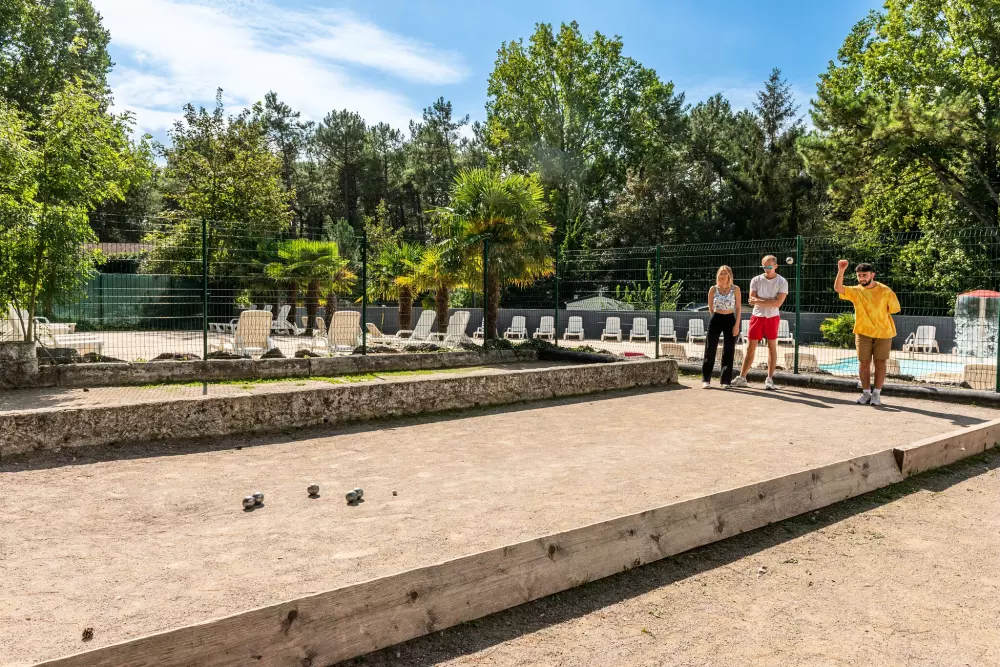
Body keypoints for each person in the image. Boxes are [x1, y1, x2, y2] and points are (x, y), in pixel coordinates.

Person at [834, 260, 901, 406]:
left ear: (872, 275)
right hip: (862, 331)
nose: (861, 278)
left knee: (880, 362)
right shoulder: (856, 291)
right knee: (863, 363)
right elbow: (838, 288)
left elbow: (895, 309)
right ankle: (865, 393)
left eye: (864, 275)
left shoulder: (886, 291)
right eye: (859, 276)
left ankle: (876, 394)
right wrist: (841, 270)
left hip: (883, 332)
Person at [731, 255, 788, 389]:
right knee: (750, 348)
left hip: (772, 317)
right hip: (757, 316)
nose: (767, 269)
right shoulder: (756, 280)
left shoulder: (782, 281)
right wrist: (769, 301)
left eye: (769, 267)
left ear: (775, 266)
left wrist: (760, 301)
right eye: (764, 267)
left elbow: (778, 303)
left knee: (772, 348)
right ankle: (742, 377)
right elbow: (752, 300)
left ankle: (769, 379)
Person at [701, 265, 742, 388]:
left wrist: (737, 325)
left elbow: (739, 308)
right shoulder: (713, 289)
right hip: (716, 318)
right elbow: (710, 308)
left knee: (729, 350)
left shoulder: (735, 289)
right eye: (721, 273)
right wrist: (716, 317)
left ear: (729, 275)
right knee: (710, 349)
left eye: (725, 273)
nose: (723, 276)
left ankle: (725, 381)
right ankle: (706, 379)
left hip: (730, 319)